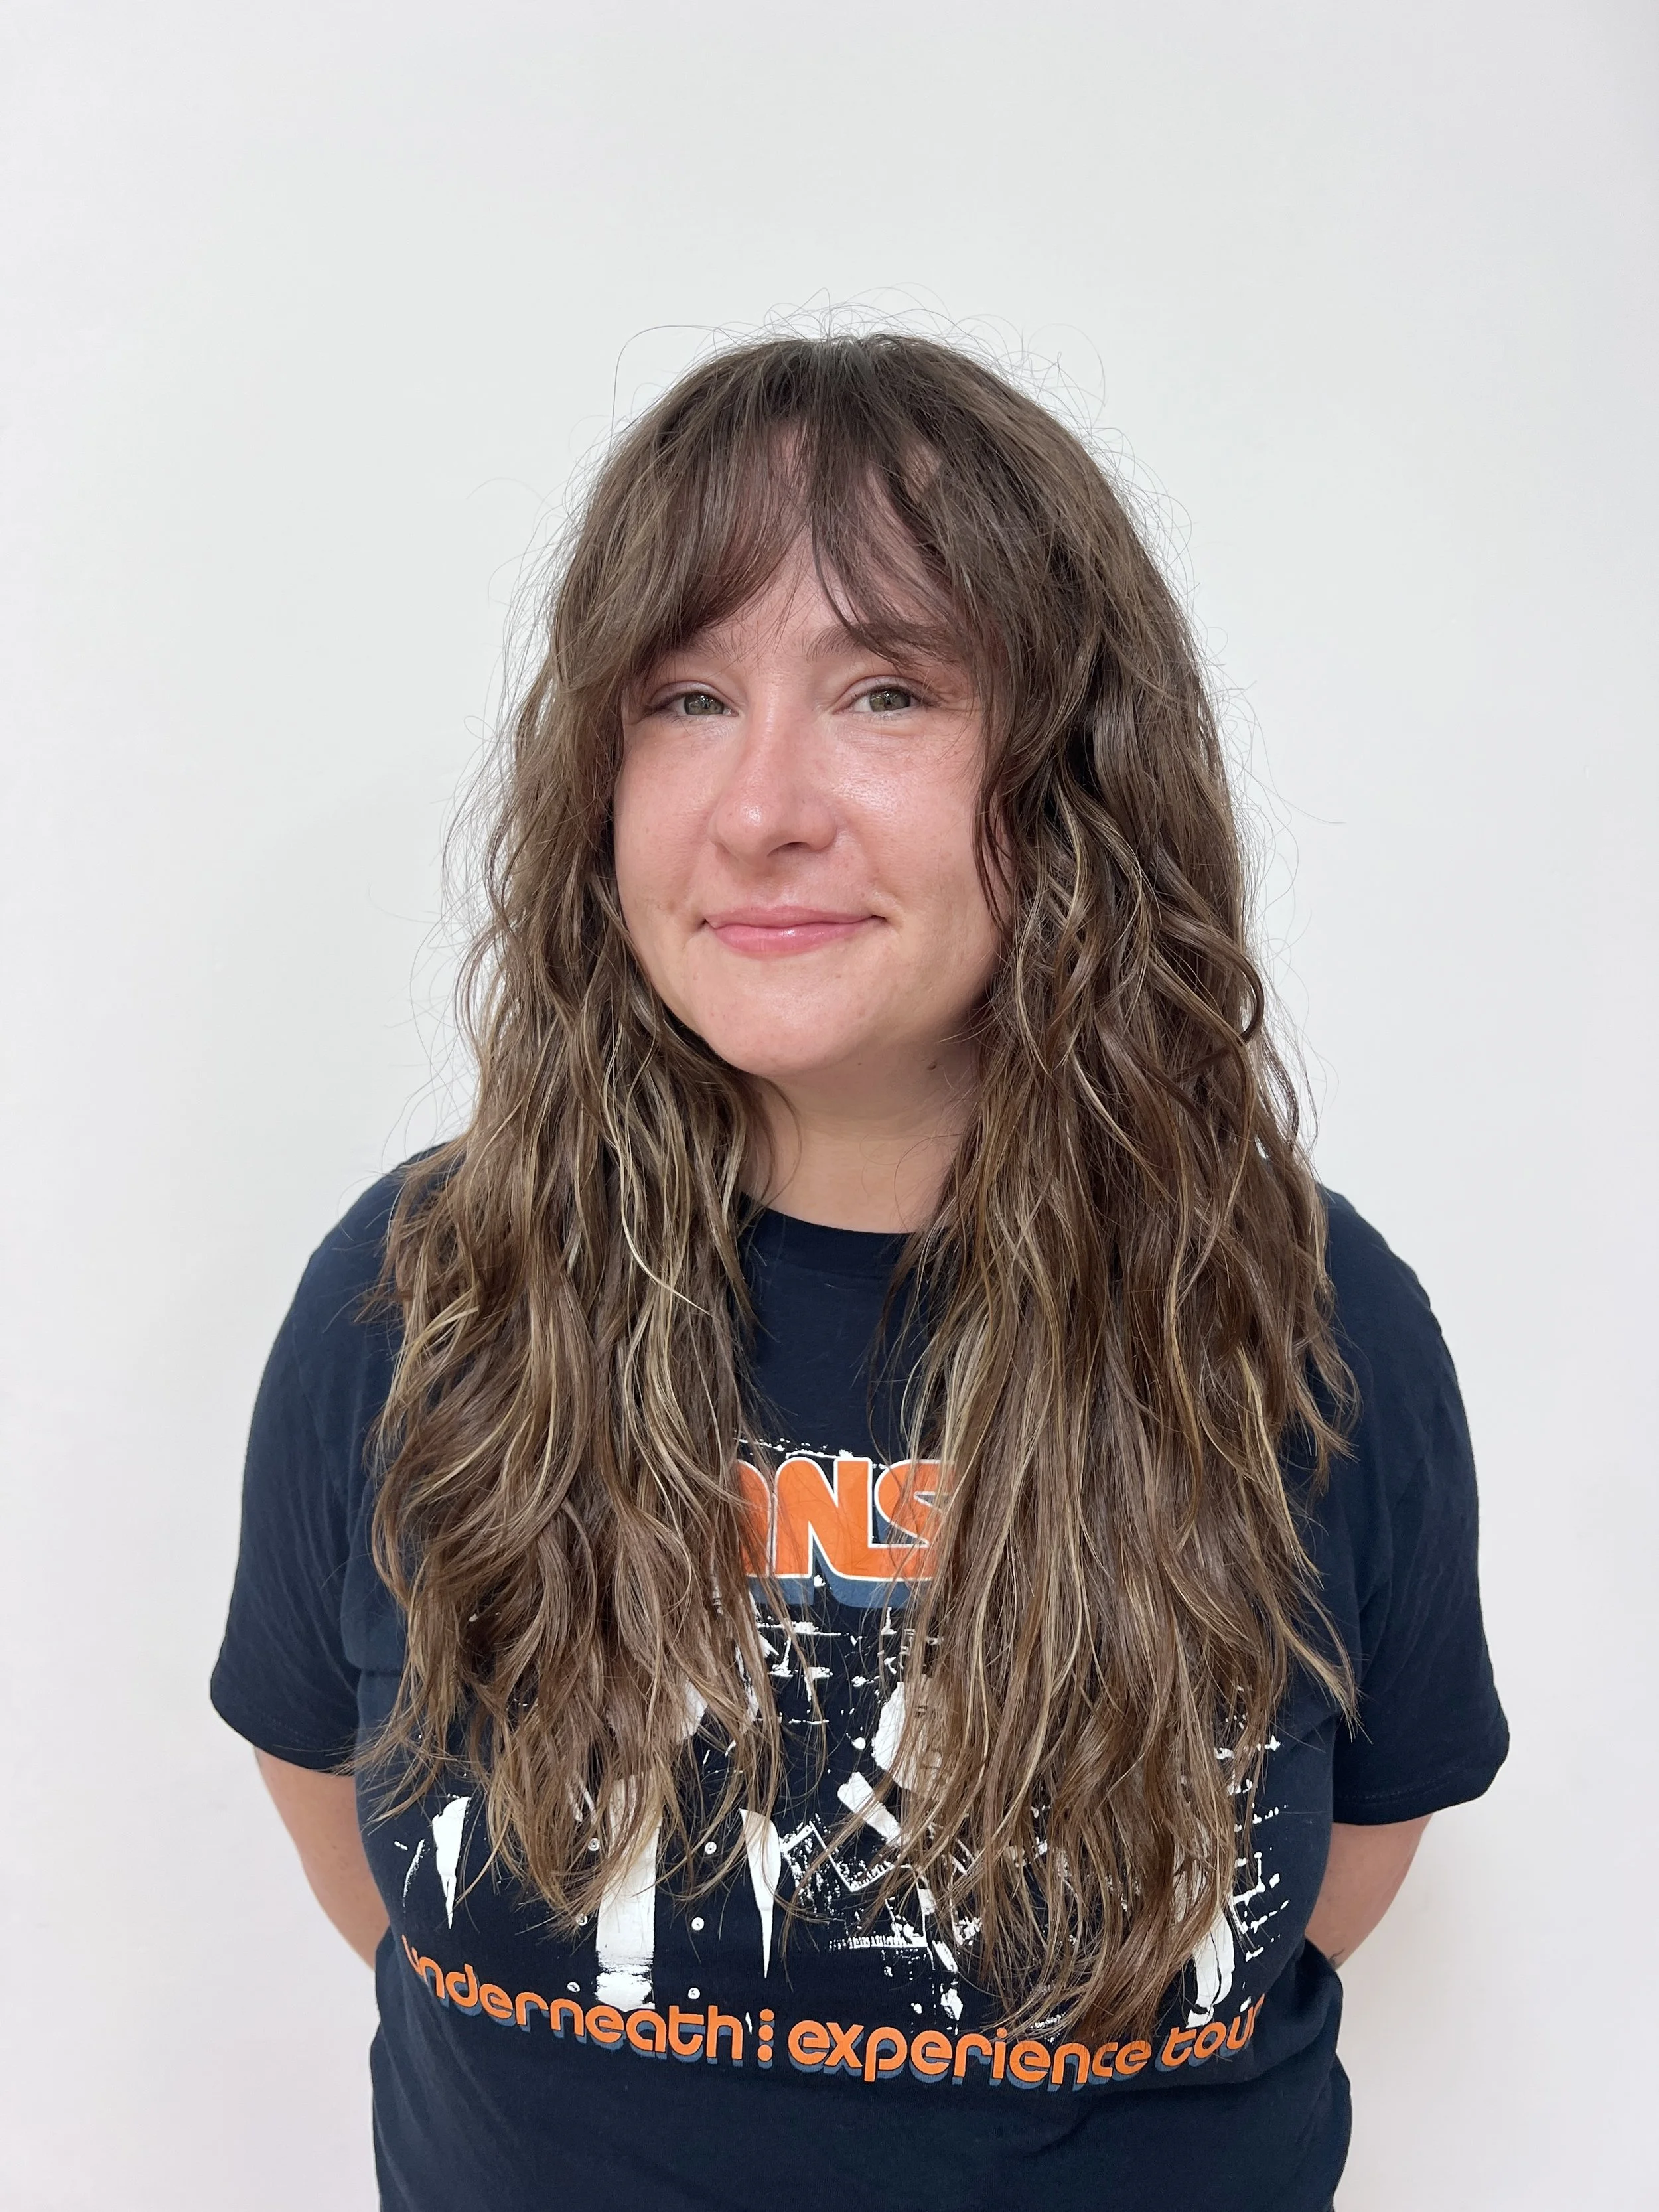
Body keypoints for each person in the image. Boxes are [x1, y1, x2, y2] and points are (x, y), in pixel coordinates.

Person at [212, 332, 1508, 2212]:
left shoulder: (1298, 1318)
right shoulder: (417, 1295)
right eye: (682, 699)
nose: (761, 807)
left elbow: (1335, 1861)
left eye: (886, 690)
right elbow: (361, 1831)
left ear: (1070, 768)